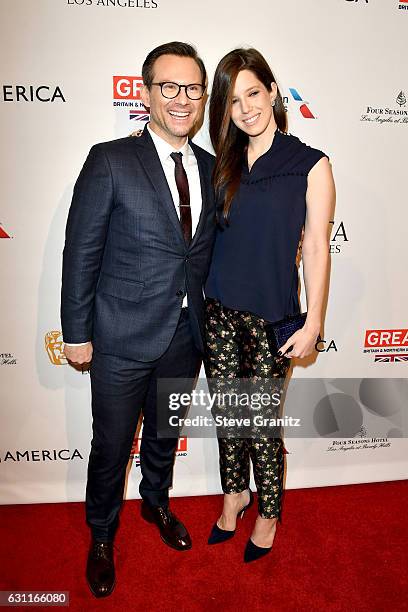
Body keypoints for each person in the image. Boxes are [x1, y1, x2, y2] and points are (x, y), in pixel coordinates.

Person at [61, 41, 215, 597]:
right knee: (111, 444)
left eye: (192, 88)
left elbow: (209, 252)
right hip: (121, 335)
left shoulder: (212, 167)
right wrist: (75, 333)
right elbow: (81, 251)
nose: (181, 99)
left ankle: (156, 504)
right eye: (168, 87)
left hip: (186, 335)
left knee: (165, 434)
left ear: (203, 97)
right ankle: (102, 534)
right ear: (146, 93)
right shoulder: (110, 159)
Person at [204, 48, 335, 563]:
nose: (245, 108)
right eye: (233, 100)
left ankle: (269, 511)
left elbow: (319, 248)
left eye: (253, 93)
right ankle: (234, 494)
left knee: (261, 423)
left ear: (274, 91)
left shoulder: (311, 164)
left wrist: (315, 321)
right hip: (219, 312)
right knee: (229, 417)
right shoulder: (223, 164)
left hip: (271, 319)